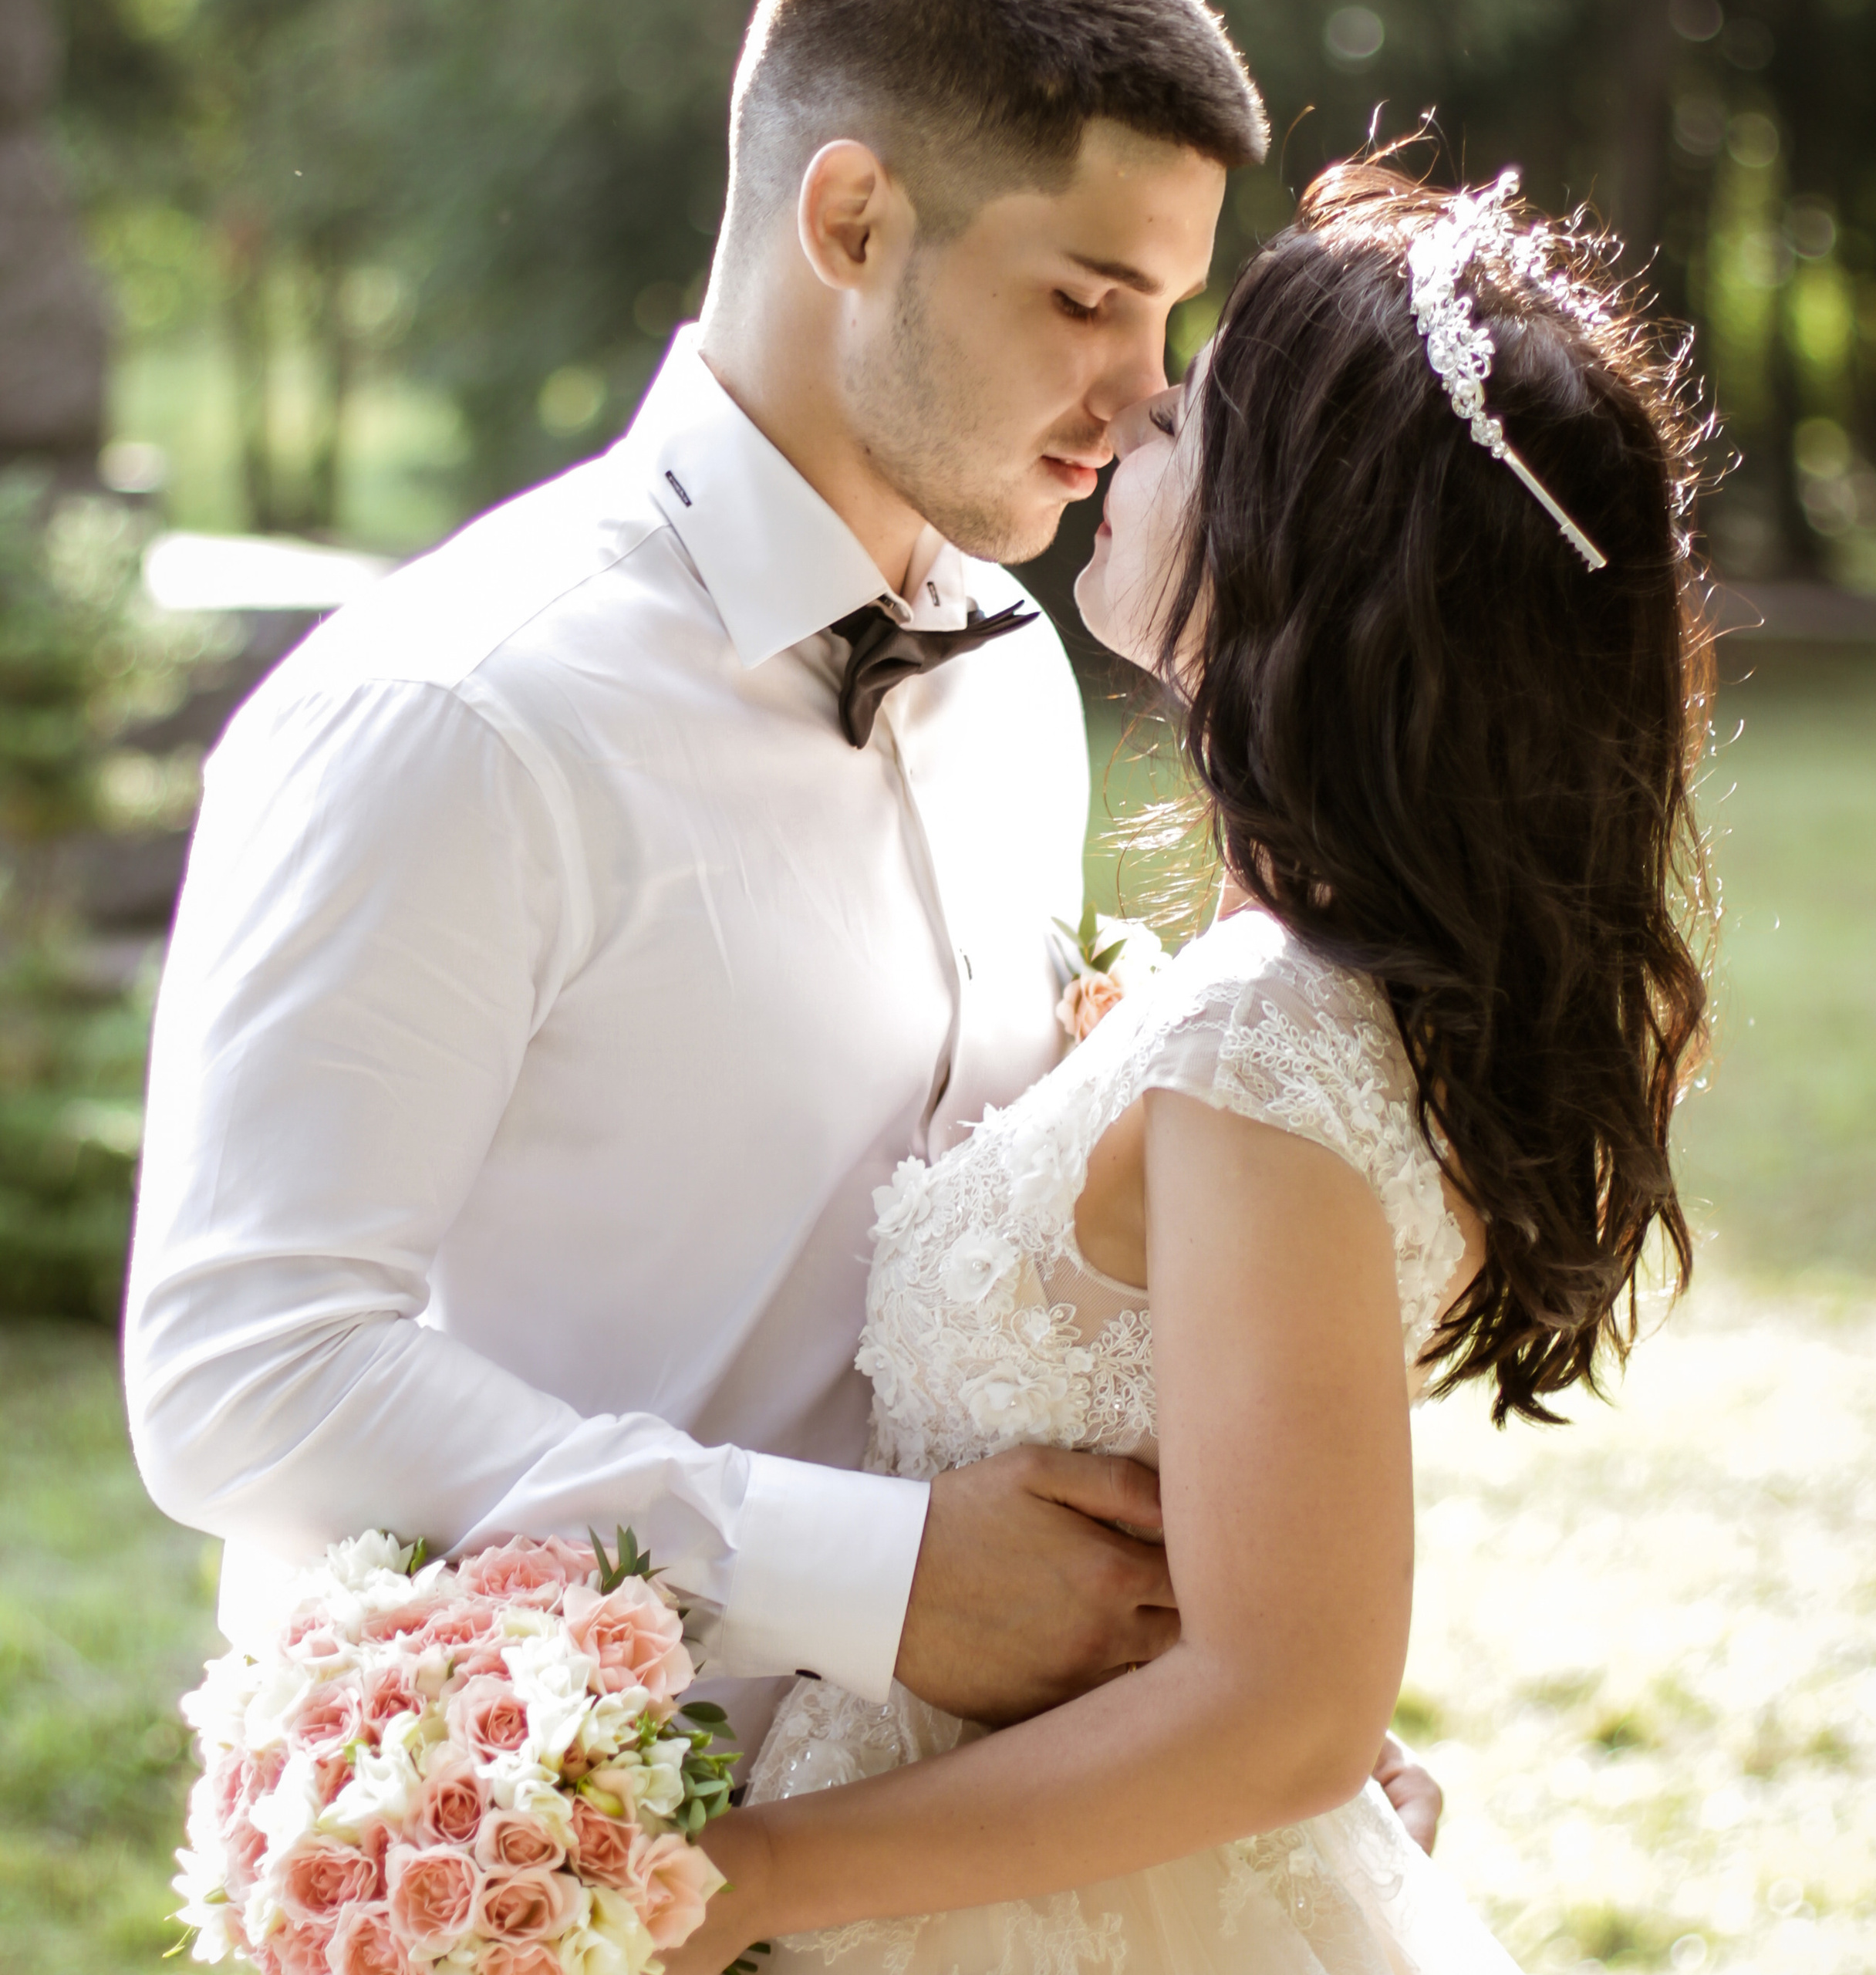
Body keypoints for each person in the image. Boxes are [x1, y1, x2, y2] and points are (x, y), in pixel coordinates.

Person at [123, 0, 1442, 1819]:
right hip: (547, 1859)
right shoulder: (456, 716)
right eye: (1084, 298)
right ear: (850, 224)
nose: (1144, 391)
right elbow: (243, 1374)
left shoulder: (1014, 689)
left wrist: (1233, 1660)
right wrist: (876, 1578)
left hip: (968, 1862)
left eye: (1167, 315)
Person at [658, 156, 1717, 1975]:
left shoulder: (1263, 1049)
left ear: (1302, 550)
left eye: (1192, 414)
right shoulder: (1291, 986)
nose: (1134, 411)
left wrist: (744, 1878)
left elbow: (1282, 1708)